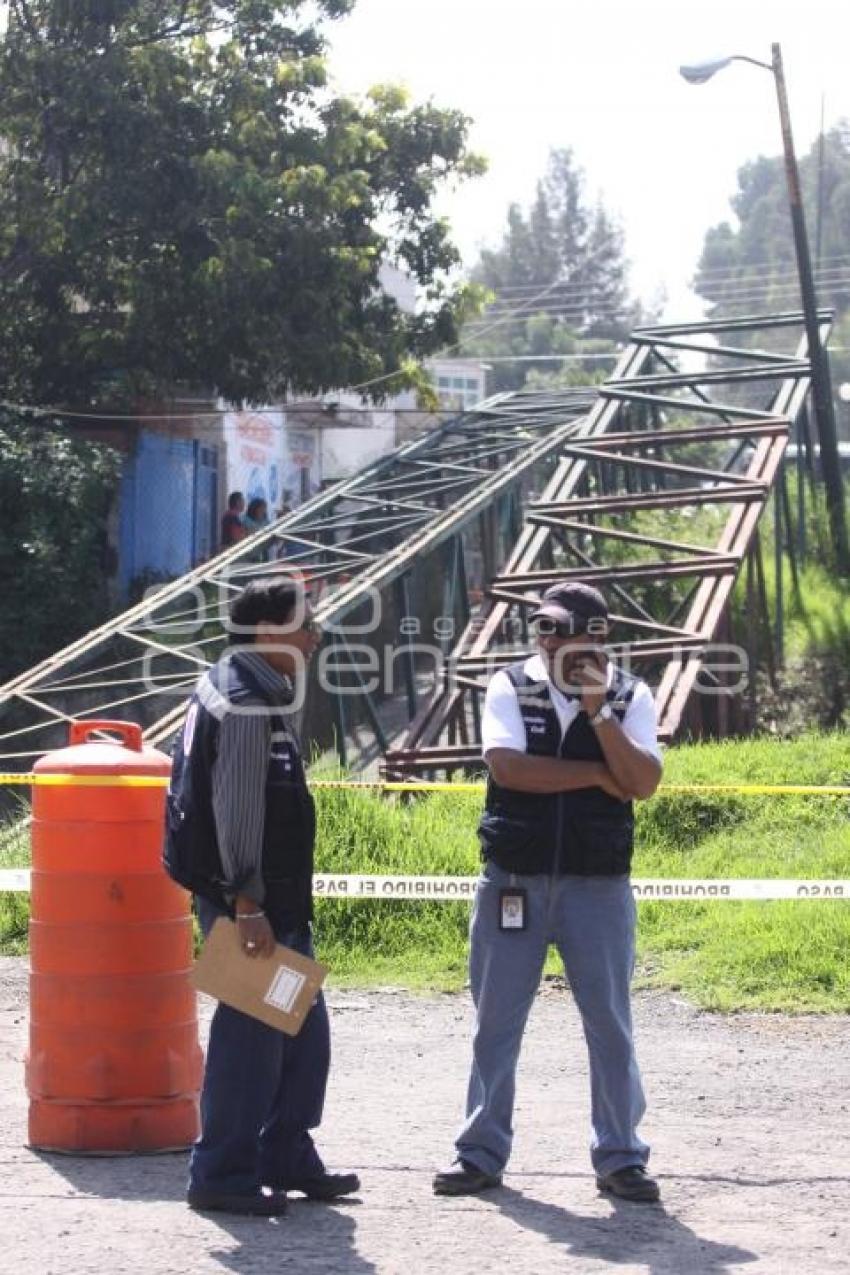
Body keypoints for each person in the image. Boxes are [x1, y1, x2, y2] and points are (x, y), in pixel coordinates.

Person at [433, 581, 663, 1204]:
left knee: (610, 1025)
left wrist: (599, 715)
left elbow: (641, 783)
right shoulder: (509, 683)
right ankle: (478, 1153)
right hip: (515, 881)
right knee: (496, 1023)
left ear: (597, 635)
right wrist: (594, 771)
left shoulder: (631, 695)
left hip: (599, 885)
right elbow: (509, 768)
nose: (549, 639)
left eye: (561, 628)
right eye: (542, 628)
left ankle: (621, 1157)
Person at [166, 576, 360, 1216]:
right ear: (269, 631)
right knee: (251, 1044)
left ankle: (283, 1152)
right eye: (307, 621)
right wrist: (246, 903)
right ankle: (221, 1171)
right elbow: (237, 808)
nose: (316, 633)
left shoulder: (240, 683)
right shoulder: (246, 700)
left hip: (267, 904)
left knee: (301, 1033)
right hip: (254, 907)